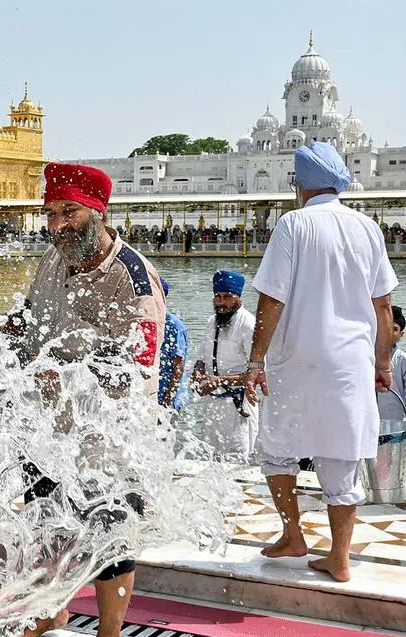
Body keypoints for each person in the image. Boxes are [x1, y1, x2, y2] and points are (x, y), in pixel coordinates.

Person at [9, 163, 166, 637]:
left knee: (109, 529)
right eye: (51, 213)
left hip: (107, 431)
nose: (56, 225)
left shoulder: (134, 277)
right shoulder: (52, 262)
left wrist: (75, 373)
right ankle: (51, 607)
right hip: (46, 419)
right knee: (43, 516)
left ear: (99, 212)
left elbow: (140, 367)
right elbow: (30, 326)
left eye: (68, 212)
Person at [245, 142, 397, 583]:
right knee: (342, 457)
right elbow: (384, 307)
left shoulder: (293, 224)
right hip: (351, 362)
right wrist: (382, 362)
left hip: (296, 358)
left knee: (277, 450)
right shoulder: (367, 227)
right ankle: (340, 558)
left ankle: (293, 535)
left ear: (301, 185)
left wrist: (256, 360)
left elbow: (271, 298)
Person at [190, 271, 258, 461]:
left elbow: (258, 373)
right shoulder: (212, 322)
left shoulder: (248, 325)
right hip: (213, 405)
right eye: (217, 297)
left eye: (228, 297)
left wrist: (220, 380)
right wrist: (197, 373)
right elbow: (202, 358)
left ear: (239, 297)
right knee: (209, 458)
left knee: (236, 462)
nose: (221, 303)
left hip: (238, 406)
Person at [157, 276, 189, 412]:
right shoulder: (149, 320)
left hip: (169, 396)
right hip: (154, 393)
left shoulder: (173, 326)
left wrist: (167, 401)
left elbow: (178, 368)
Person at [376, 305, 406, 421]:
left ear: (401, 335)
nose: (389, 332)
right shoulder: (367, 358)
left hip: (397, 424)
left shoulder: (403, 360)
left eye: (394, 329)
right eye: (385, 327)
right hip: (370, 424)